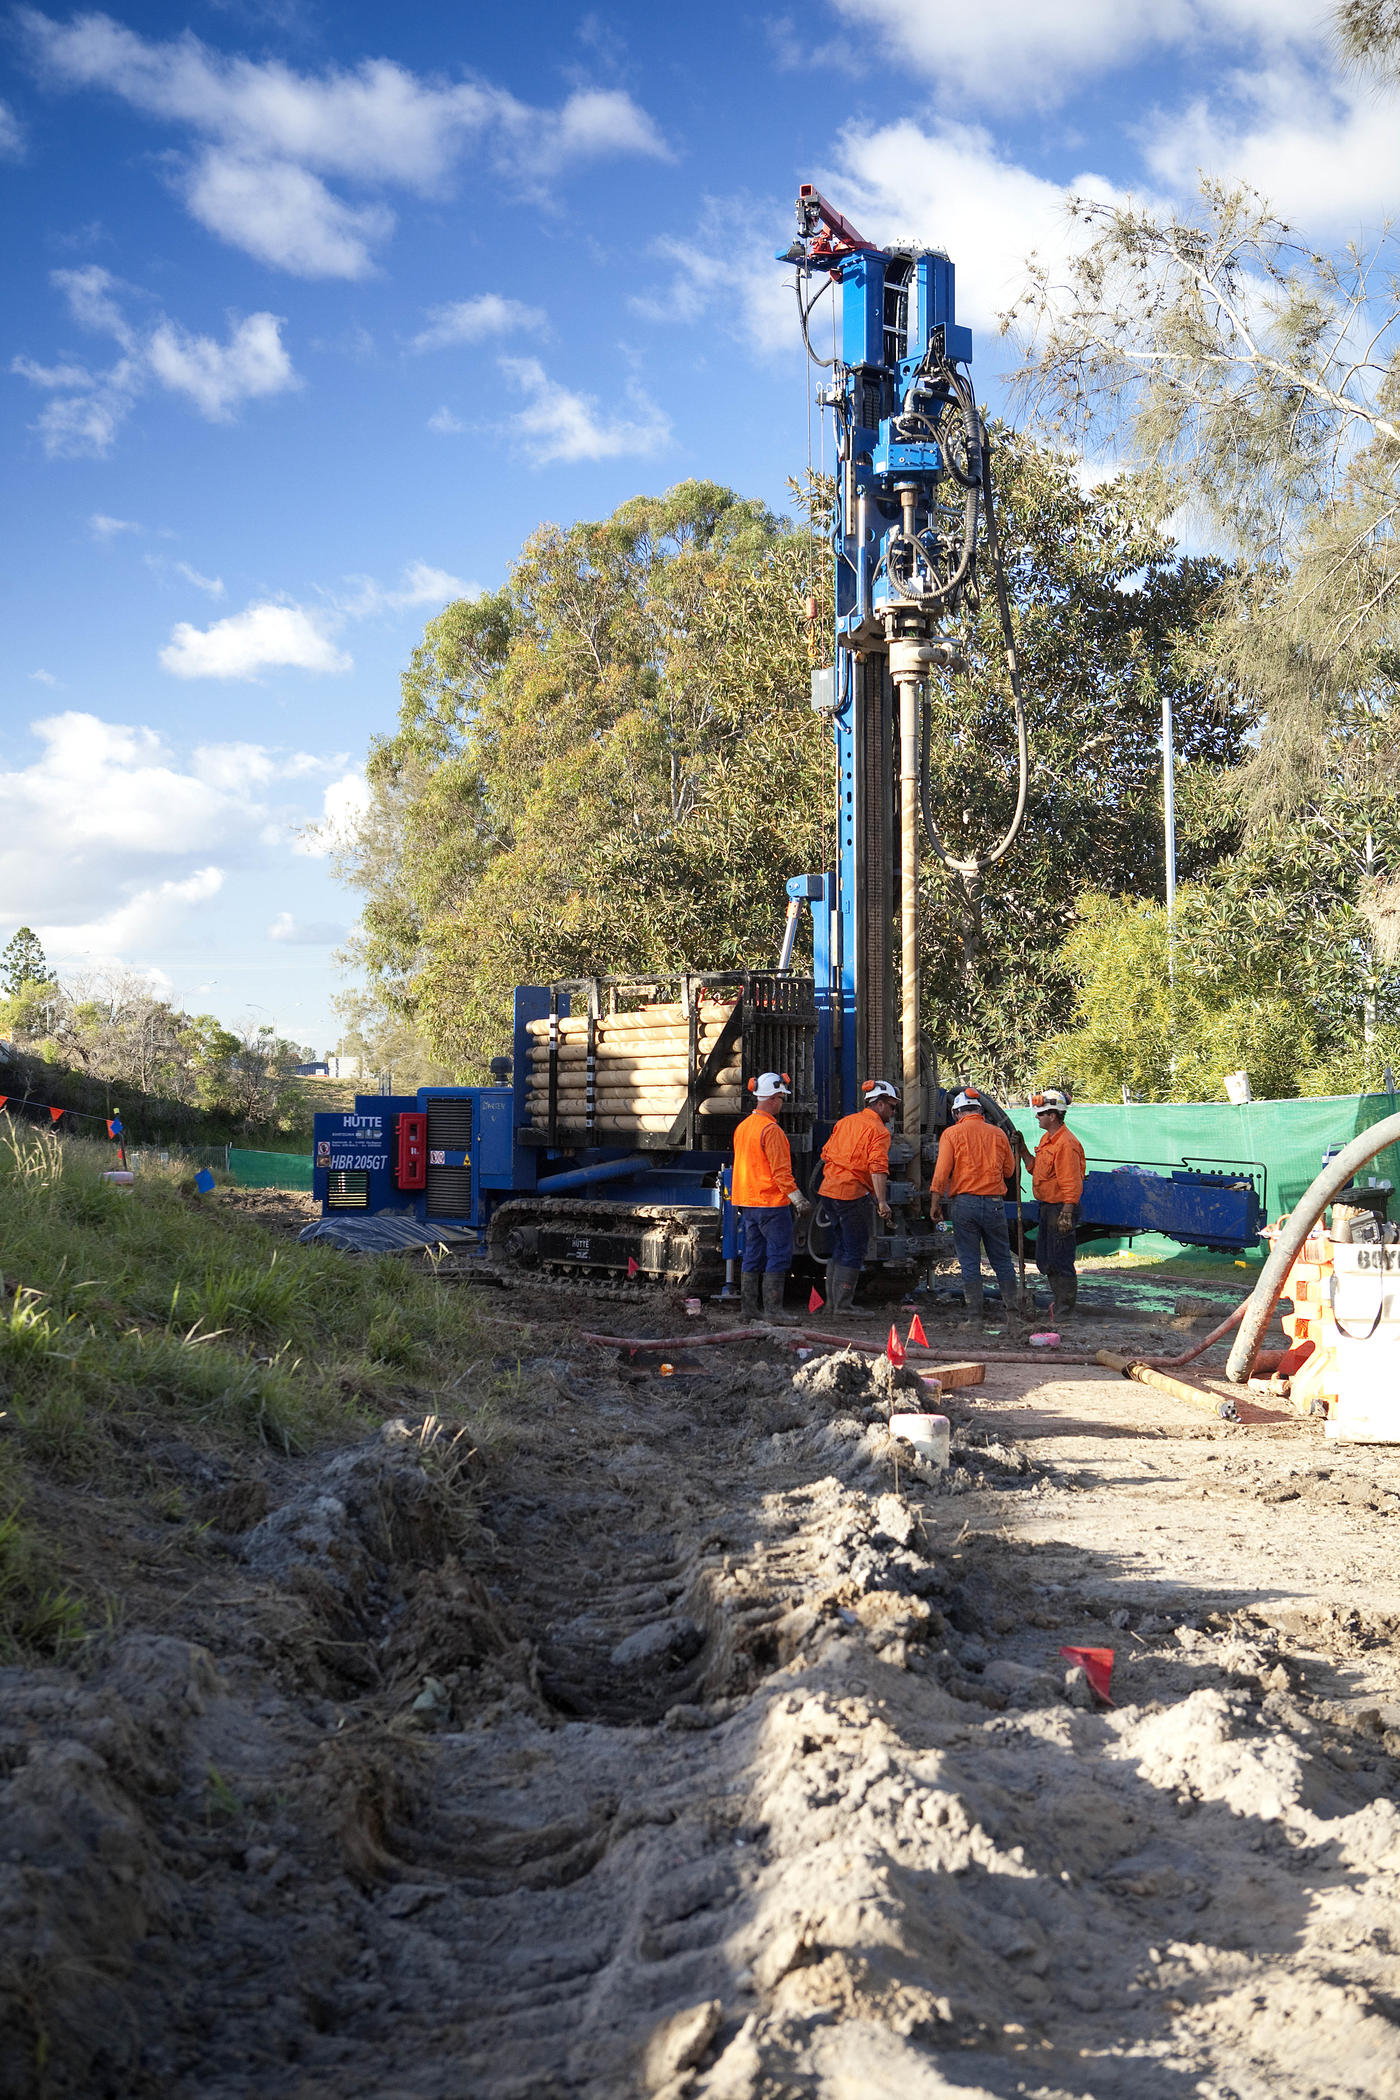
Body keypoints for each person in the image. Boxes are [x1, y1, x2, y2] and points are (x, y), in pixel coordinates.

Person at [929, 1088, 1026, 1331]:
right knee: (1003, 1260)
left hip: (965, 1205)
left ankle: (975, 1319)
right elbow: (1009, 1171)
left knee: (970, 1261)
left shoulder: (951, 1134)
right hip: (994, 1204)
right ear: (981, 1112)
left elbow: (941, 1173)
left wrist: (934, 1202)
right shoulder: (997, 1134)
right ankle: (1013, 1318)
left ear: (957, 1113)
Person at [816, 1079, 898, 1316]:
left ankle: (832, 1304)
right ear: (880, 1105)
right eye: (892, 1107)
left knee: (841, 1246)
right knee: (854, 1248)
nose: (893, 1113)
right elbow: (878, 1167)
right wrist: (882, 1201)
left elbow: (826, 1153)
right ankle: (842, 1305)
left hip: (829, 1192)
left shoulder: (845, 1122)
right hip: (850, 1194)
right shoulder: (879, 1131)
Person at [732, 1071, 809, 1323]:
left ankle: (749, 1310)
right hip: (771, 1204)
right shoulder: (771, 1130)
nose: (782, 1103)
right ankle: (774, 1311)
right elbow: (781, 1173)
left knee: (753, 1254)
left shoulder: (743, 1128)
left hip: (748, 1203)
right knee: (778, 1255)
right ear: (775, 1098)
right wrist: (798, 1200)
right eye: (782, 1098)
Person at [1015, 1086, 1086, 1326]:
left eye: (1041, 1113)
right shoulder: (1049, 1140)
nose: (1037, 1117)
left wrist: (1067, 1211)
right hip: (1048, 1207)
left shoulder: (1066, 1144)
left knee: (1061, 1260)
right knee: (1048, 1259)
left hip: (1060, 1209)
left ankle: (1066, 1313)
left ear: (1053, 1116)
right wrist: (1022, 1148)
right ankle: (1060, 1307)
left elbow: (1071, 1181)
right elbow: (1036, 1168)